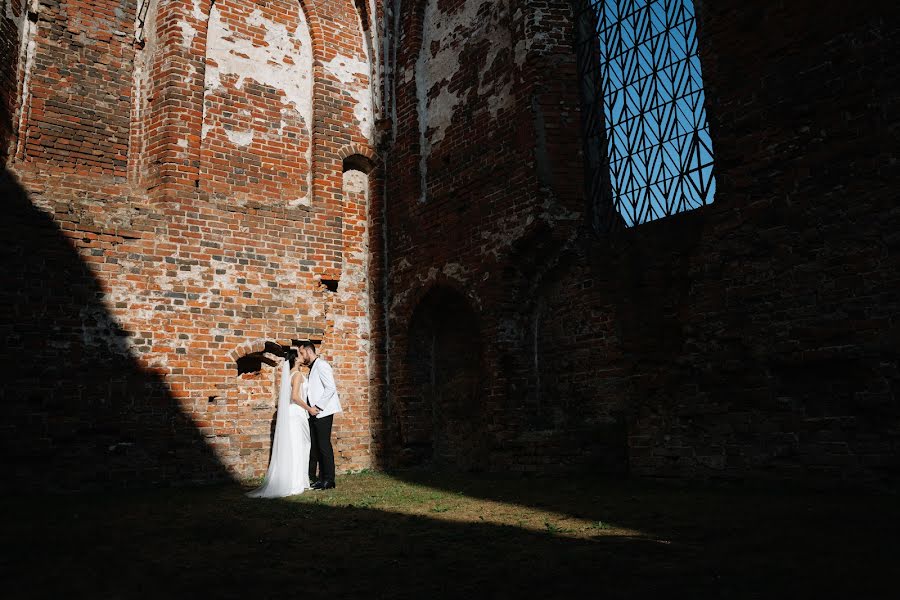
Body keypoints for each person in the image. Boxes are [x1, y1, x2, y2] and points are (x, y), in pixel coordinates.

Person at [246, 349, 316, 498]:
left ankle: (295, 480)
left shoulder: (289, 374)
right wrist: (309, 409)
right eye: (300, 354)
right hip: (297, 413)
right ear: (295, 360)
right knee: (300, 445)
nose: (303, 356)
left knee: (294, 446)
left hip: (291, 413)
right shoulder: (297, 375)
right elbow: (295, 397)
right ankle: (296, 482)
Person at [297, 340, 342, 489]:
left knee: (324, 446)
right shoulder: (313, 367)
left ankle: (329, 480)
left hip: (323, 412)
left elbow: (331, 388)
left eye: (302, 353)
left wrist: (318, 406)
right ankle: (322, 478)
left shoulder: (322, 365)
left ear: (309, 351)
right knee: (316, 446)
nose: (302, 357)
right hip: (315, 413)